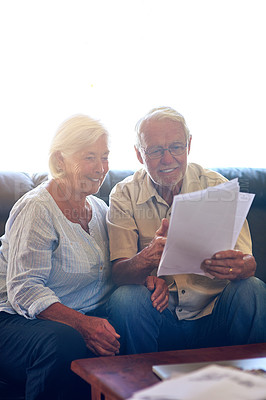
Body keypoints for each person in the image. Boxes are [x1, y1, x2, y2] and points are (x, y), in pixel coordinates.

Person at [106, 106, 266, 355]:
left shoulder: (217, 188)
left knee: (252, 288)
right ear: (139, 154)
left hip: (216, 314)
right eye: (156, 150)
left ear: (189, 145)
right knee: (126, 299)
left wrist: (235, 266)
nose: (168, 159)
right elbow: (119, 273)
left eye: (176, 147)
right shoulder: (124, 194)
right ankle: (139, 390)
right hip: (160, 316)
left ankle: (250, 385)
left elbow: (249, 263)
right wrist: (147, 259)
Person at [0, 115, 121, 400]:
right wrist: (82, 323)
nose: (101, 168)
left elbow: (116, 270)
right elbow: (25, 290)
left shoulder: (101, 209)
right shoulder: (38, 208)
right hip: (15, 318)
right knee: (65, 340)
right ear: (60, 159)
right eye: (89, 157)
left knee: (132, 315)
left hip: (78, 316)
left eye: (104, 157)